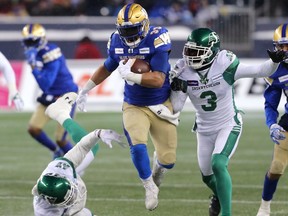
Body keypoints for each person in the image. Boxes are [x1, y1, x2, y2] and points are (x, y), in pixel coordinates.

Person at [169, 27, 287, 216]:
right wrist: (175, 88)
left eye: (197, 52)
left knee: (218, 164)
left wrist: (273, 61)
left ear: (211, 52)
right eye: (189, 51)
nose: (191, 56)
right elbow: (176, 108)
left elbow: (258, 70)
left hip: (228, 124)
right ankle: (218, 196)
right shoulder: (183, 71)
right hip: (203, 128)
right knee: (207, 177)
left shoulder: (225, 63)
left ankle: (227, 213)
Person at [76, 3, 179, 211]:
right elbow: (107, 67)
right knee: (137, 143)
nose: (129, 36)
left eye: (133, 30)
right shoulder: (116, 41)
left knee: (168, 160)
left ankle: (158, 166)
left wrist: (132, 75)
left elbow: (159, 79)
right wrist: (85, 89)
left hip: (160, 104)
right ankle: (149, 186)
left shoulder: (157, 38)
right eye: (125, 31)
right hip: (133, 104)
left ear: (144, 25)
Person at [32, 92, 125, 216]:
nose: (73, 196)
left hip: (64, 180)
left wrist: (98, 133)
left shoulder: (60, 169)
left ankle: (60, 113)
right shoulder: (44, 212)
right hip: (61, 212)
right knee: (82, 213)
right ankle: (61, 114)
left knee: (93, 147)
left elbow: (82, 147)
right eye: (67, 198)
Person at [21, 23, 78, 159]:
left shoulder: (51, 52)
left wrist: (33, 66)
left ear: (41, 39)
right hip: (50, 96)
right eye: (27, 41)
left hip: (66, 96)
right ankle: (56, 152)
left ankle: (78, 164)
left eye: (32, 41)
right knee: (34, 129)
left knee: (61, 138)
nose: (30, 45)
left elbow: (45, 84)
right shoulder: (38, 53)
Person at [256, 24, 288, 216]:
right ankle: (264, 206)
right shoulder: (276, 70)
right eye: (280, 46)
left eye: (287, 46)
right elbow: (270, 104)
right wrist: (272, 124)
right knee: (276, 166)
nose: (283, 51)